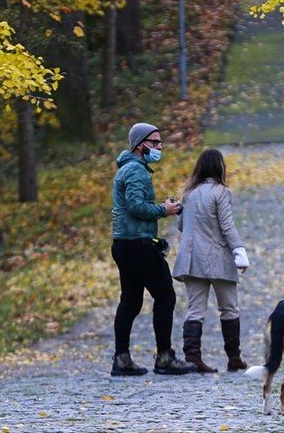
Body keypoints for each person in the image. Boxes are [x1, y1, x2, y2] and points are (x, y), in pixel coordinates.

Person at [109, 122, 196, 377]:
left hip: (123, 243)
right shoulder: (136, 171)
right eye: (155, 142)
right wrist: (164, 210)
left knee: (131, 300)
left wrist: (160, 206)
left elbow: (132, 205)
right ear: (140, 145)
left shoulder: (126, 169)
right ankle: (165, 357)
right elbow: (136, 206)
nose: (160, 147)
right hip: (139, 244)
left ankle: (121, 359)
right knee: (165, 295)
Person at [172, 148, 249, 373]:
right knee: (229, 308)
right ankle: (234, 358)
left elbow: (181, 226)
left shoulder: (188, 194)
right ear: (220, 167)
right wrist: (239, 251)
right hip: (217, 258)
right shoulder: (221, 192)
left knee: (195, 309)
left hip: (191, 258)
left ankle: (193, 357)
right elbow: (226, 225)